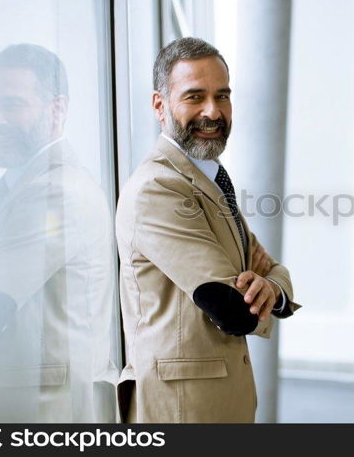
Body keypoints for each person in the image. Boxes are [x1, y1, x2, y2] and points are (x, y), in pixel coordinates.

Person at [115, 37, 299, 423]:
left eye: (223, 96)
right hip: (182, 409)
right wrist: (259, 286)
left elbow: (272, 270)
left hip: (221, 401)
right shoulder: (158, 187)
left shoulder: (209, 180)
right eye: (194, 97)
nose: (213, 111)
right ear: (159, 105)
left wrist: (272, 287)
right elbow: (234, 310)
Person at [0, 44, 118, 422]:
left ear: (58, 109)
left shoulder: (57, 191)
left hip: (52, 417)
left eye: (11, 105)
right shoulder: (22, 184)